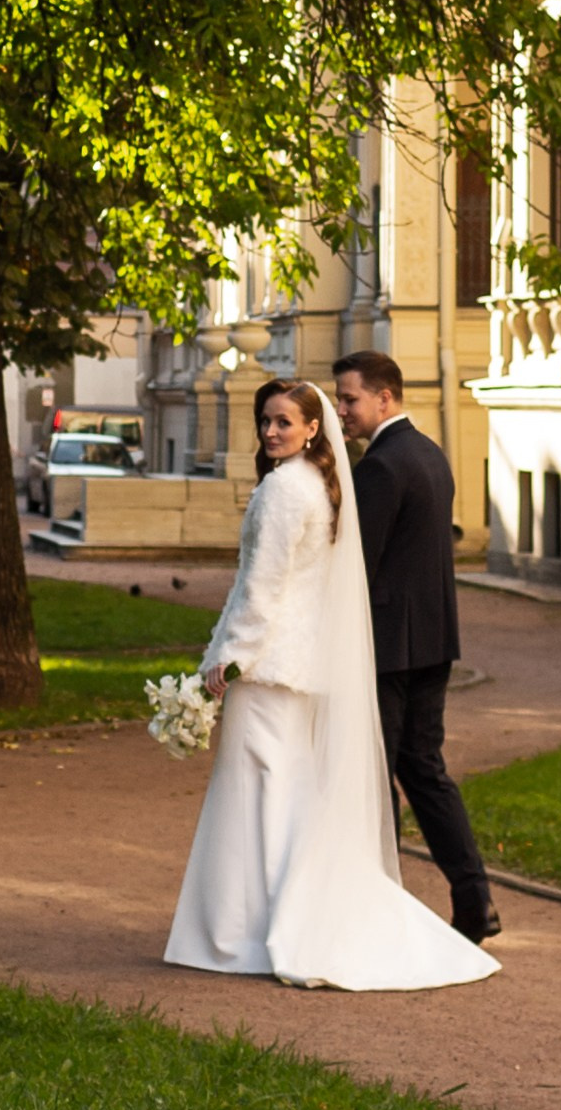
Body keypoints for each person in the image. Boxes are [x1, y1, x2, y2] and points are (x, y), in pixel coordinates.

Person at [164, 379, 496, 993]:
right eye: (265, 421)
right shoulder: (322, 485)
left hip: (268, 668)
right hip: (301, 665)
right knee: (284, 793)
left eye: (284, 422)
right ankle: (276, 919)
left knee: (255, 795)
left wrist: (227, 661)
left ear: (312, 429)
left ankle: (245, 930)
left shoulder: (283, 489)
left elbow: (261, 590)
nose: (270, 432)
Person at [333, 349, 500, 948]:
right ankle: (474, 897)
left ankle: (378, 901)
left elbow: (357, 563)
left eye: (349, 399)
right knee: (424, 770)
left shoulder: (380, 466)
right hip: (433, 640)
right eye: (338, 399)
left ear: (385, 398)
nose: (341, 410)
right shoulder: (429, 453)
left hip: (388, 649)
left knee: (373, 775)